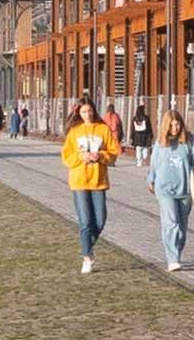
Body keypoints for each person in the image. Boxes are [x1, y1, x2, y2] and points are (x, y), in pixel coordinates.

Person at [61, 100, 123, 273]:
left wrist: (100, 156)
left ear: (94, 111)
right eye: (83, 112)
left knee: (100, 220)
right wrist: (81, 157)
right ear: (79, 113)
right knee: (85, 221)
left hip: (98, 181)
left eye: (89, 111)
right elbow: (66, 157)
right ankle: (87, 256)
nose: (87, 115)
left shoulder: (103, 129)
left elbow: (113, 153)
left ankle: (86, 245)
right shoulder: (74, 131)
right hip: (79, 181)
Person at [145, 108, 194, 271]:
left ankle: (176, 253)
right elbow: (154, 164)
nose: (174, 128)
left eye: (177, 124)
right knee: (171, 222)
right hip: (164, 189)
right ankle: (172, 259)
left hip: (185, 189)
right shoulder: (160, 143)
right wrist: (150, 179)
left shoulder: (189, 141)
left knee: (181, 228)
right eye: (171, 125)